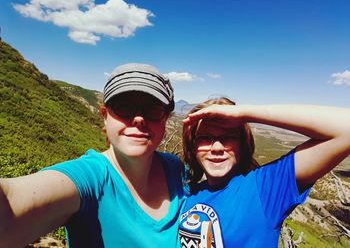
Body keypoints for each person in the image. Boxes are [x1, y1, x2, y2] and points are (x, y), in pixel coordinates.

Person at [0, 63, 186, 247]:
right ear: (105, 115)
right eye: (124, 106)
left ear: (166, 118)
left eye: (153, 109)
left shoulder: (175, 168)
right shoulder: (89, 177)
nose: (138, 119)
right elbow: (10, 203)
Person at [179, 97, 350, 247]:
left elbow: (346, 128)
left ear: (243, 144)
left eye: (228, 137)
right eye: (204, 138)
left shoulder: (265, 189)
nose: (216, 148)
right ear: (193, 147)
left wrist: (244, 113)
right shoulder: (186, 194)